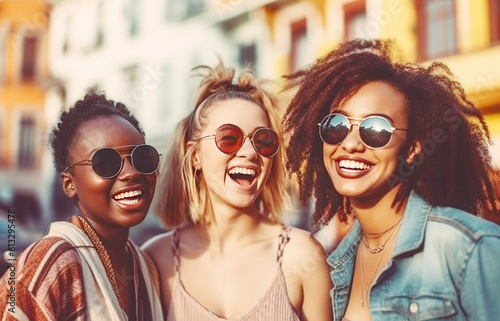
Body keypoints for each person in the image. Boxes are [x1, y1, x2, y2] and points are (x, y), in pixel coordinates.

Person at [282, 38, 500, 321]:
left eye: (375, 129)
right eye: (337, 125)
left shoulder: (468, 249)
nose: (350, 144)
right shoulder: (334, 267)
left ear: (413, 148)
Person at [143, 62, 332, 321]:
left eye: (263, 141)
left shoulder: (302, 255)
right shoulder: (156, 259)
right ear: (195, 154)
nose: (250, 152)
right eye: (229, 138)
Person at [0, 90, 164, 320]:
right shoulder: (48, 265)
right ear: (69, 183)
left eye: (142, 157)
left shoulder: (147, 269)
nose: (131, 173)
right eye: (105, 162)